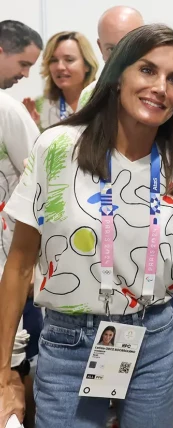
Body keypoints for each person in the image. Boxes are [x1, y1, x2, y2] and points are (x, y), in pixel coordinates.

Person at [0, 24, 173, 427]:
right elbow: (20, 262)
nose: (161, 87)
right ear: (117, 74)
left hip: (156, 339)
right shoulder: (57, 148)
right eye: (147, 70)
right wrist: (3, 370)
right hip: (69, 341)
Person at [76, 7, 173, 425]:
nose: (158, 84)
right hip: (106, 259)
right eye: (115, 50)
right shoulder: (88, 103)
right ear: (103, 52)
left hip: (167, 249)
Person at [78, 5, 173, 139]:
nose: (121, 58)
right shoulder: (89, 95)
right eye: (113, 49)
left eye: (133, 45)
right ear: (100, 47)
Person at [0, 19, 43, 428]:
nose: (24, 75)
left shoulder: (8, 111)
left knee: (14, 370)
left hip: (8, 266)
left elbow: (43, 182)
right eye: (23, 63)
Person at [22, 31, 98, 130]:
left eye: (69, 60)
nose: (60, 67)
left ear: (87, 65)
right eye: (53, 60)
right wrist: (32, 128)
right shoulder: (38, 107)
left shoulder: (104, 101)